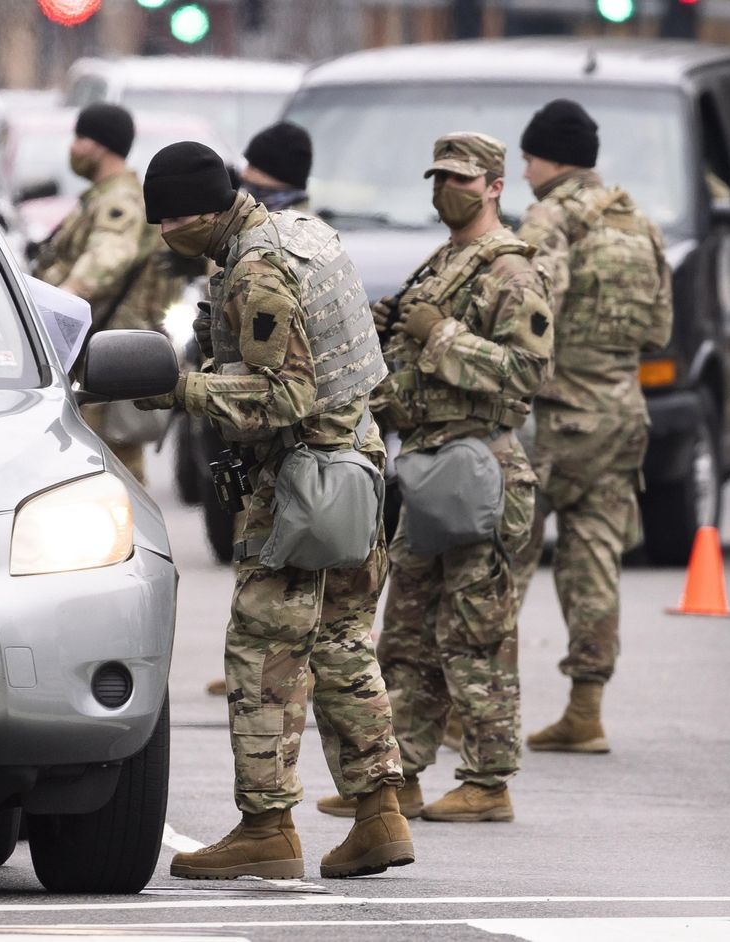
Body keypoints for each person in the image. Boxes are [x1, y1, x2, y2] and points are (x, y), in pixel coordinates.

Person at [137, 141, 414, 880]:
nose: (163, 235)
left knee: (263, 651)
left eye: (169, 221)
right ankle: (379, 813)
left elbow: (284, 396)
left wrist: (182, 390)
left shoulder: (256, 269)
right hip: (355, 468)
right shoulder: (300, 232)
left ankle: (266, 827)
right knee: (343, 643)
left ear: (200, 213)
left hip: (302, 484)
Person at [337, 132, 553, 824]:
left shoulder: (511, 271)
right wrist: (389, 335)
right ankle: (398, 776)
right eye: (438, 178)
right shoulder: (441, 264)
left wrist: (439, 335)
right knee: (404, 632)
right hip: (430, 465)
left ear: (494, 186)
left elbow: (527, 373)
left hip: (480, 467)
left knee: (474, 632)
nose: (446, 190)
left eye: (461, 179)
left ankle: (489, 782)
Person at [513, 100, 672, 753]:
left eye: (527, 159)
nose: (524, 173)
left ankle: (474, 709)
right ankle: (586, 709)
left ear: (549, 160)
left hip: (553, 419)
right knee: (595, 560)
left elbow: (531, 314)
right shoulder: (639, 223)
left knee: (503, 558)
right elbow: (658, 330)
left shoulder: (549, 219)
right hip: (622, 415)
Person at [206, 119, 318, 699]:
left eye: (258, 181)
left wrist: (196, 388)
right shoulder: (253, 245)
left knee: (302, 583)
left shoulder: (287, 245)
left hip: (298, 440)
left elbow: (285, 381)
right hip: (260, 439)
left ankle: (273, 673)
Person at [33, 103, 179, 483]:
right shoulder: (103, 196)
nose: (74, 148)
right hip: (98, 348)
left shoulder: (119, 201)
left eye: (80, 138)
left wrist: (51, 311)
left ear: (100, 146)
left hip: (109, 351)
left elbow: (105, 261)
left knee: (111, 470)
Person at [240, 121, 314, 213]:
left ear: (281, 177)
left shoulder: (296, 221)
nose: (244, 174)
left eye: (254, 168)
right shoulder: (255, 213)